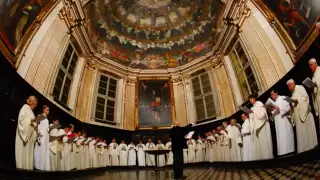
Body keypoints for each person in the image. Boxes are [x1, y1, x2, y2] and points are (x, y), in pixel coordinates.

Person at [287, 79, 318, 153]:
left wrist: (297, 100)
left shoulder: (300, 88)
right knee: (301, 133)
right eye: (288, 86)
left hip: (305, 114)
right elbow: (294, 105)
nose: (289, 88)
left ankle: (310, 146)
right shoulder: (293, 93)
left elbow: (305, 98)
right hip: (298, 116)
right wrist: (291, 105)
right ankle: (303, 149)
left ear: (293, 84)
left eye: (289, 86)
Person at [15, 96, 38, 170]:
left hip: (30, 136)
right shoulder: (25, 107)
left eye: (35, 105)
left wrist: (36, 124)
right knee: (22, 153)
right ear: (31, 102)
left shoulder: (32, 112)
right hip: (24, 135)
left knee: (28, 154)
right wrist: (30, 121)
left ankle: (27, 168)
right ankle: (21, 168)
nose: (34, 107)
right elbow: (21, 120)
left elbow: (33, 123)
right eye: (34, 105)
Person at [270, 89, 295, 156]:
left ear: (276, 93)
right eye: (271, 95)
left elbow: (287, 108)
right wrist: (271, 111)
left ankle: (289, 150)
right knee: (280, 136)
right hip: (278, 122)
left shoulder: (283, 97)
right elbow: (273, 113)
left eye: (272, 94)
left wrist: (279, 108)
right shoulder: (274, 103)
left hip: (284, 121)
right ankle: (282, 152)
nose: (272, 96)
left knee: (285, 135)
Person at [248, 95, 273, 160]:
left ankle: (267, 157)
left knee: (264, 141)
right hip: (256, 127)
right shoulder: (252, 108)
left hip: (261, 126)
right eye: (249, 100)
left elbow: (263, 114)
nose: (250, 101)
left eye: (251, 99)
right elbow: (252, 118)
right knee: (259, 143)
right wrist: (251, 114)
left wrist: (254, 112)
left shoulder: (259, 103)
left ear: (254, 98)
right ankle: (262, 158)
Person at [34, 105, 51, 171]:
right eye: (47, 109)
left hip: (46, 137)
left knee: (44, 151)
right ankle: (38, 166)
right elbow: (36, 124)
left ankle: (43, 166)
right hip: (41, 136)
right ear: (43, 110)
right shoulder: (41, 116)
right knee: (40, 150)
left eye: (48, 110)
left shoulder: (47, 119)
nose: (48, 111)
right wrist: (38, 135)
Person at [309, 58, 320, 125]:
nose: (310, 67)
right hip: (317, 99)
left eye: (311, 65)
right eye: (309, 66)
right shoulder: (313, 76)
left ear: (315, 63)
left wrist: (316, 84)